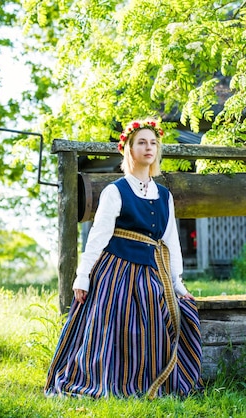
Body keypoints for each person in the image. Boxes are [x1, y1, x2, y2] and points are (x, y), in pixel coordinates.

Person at [44, 118, 203, 399]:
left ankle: (147, 382)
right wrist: (82, 276)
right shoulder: (115, 191)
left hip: (152, 274)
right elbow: (98, 237)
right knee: (114, 327)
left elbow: (170, 241)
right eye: (141, 142)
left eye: (153, 142)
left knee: (165, 320)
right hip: (115, 272)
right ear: (129, 149)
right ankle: (108, 379)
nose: (148, 147)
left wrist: (178, 285)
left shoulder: (164, 195)